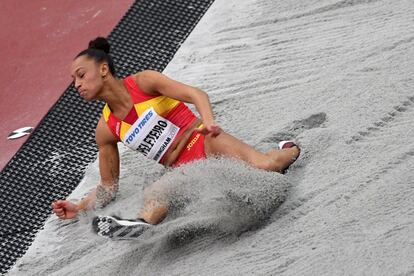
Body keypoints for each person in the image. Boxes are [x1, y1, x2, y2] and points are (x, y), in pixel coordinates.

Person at [51, 37, 300, 230]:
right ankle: (139, 226)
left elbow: (196, 94)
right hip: (181, 169)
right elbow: (108, 186)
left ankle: (290, 148)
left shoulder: (144, 82)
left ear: (104, 70)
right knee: (155, 194)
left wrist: (210, 123)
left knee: (267, 167)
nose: (77, 85)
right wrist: (79, 206)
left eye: (81, 75)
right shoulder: (105, 129)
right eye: (73, 80)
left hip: (204, 140)